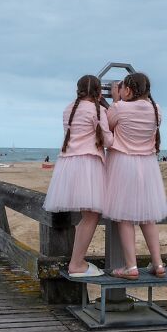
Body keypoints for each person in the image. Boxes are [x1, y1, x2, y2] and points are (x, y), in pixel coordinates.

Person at [43, 75, 113, 277]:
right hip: (88, 163)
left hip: (68, 163)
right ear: (99, 92)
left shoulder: (68, 109)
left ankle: (77, 261)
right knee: (91, 215)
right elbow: (108, 140)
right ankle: (76, 263)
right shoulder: (97, 110)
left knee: (87, 215)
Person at [104, 72, 167, 279]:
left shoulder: (119, 108)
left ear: (128, 90)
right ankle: (158, 263)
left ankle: (131, 267)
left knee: (125, 217)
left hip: (123, 164)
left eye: (122, 88)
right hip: (147, 165)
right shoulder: (156, 110)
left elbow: (108, 127)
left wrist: (116, 101)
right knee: (147, 216)